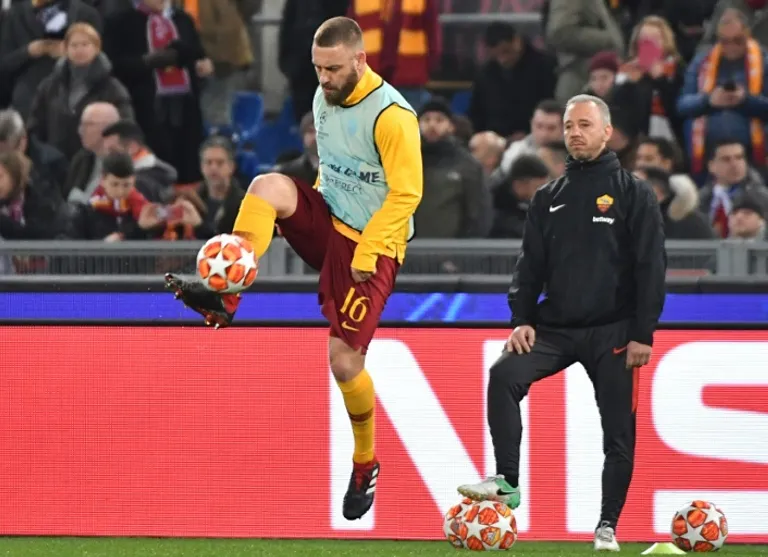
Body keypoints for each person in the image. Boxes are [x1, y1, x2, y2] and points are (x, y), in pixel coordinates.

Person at [164, 17, 422, 521]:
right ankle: (226, 293)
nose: (324, 78)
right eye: (318, 68)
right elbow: (333, 166)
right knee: (268, 187)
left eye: (333, 68)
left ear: (360, 60)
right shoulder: (323, 98)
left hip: (373, 246)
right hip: (331, 219)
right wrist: (302, 214)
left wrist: (367, 252)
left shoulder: (393, 116)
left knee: (344, 364)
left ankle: (365, 462)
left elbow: (407, 195)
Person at [455, 94, 667, 552]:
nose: (575, 133)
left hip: (615, 331)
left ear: (607, 132)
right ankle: (507, 481)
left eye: (585, 125)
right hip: (556, 328)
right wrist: (521, 319)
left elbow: (651, 267)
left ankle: (607, 525)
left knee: (618, 433)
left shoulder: (634, 193)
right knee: (503, 375)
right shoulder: (548, 197)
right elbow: (529, 266)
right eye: (570, 125)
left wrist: (642, 334)